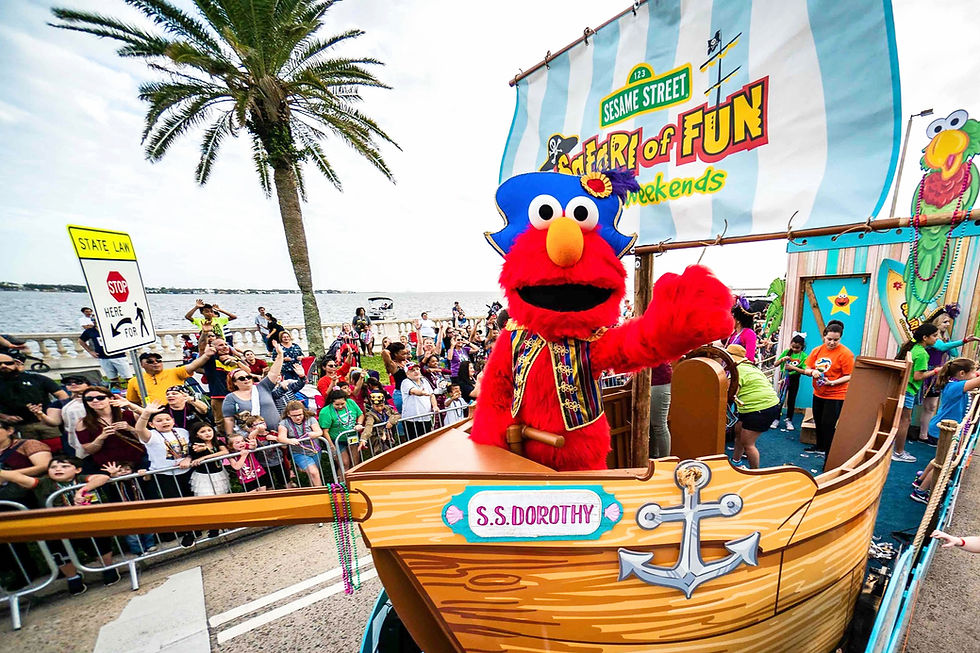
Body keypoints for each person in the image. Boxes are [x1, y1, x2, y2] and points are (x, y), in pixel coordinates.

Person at [0, 456, 116, 594]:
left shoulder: (81, 479)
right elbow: (16, 477)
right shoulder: (43, 483)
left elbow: (102, 477)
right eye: (53, 467)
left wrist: (81, 490)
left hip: (85, 523)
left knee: (99, 544)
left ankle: (107, 568)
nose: (58, 469)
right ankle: (73, 577)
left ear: (77, 469)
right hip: (57, 527)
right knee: (59, 551)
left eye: (64, 466)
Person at [910, 358, 980, 503]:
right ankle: (921, 491)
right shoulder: (957, 387)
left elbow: (976, 377)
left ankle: (921, 480)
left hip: (943, 428)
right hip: (945, 430)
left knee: (939, 458)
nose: (975, 375)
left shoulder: (954, 383)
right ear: (962, 373)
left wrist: (975, 372)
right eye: (973, 372)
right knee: (943, 464)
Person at [221, 344, 287, 485]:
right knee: (261, 465)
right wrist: (230, 439)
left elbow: (274, 374)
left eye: (248, 376)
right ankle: (267, 488)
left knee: (283, 462)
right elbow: (228, 419)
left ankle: (288, 482)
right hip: (252, 439)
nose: (246, 379)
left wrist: (280, 355)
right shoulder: (231, 398)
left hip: (274, 434)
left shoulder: (262, 387)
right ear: (234, 382)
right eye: (242, 378)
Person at [134, 401, 196, 547]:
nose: (164, 422)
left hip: (186, 472)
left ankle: (196, 528)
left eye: (167, 419)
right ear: (152, 424)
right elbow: (139, 429)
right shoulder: (151, 436)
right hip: (165, 475)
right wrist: (146, 413)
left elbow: (191, 449)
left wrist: (189, 458)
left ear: (173, 421)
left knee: (192, 501)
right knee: (177, 506)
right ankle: (187, 533)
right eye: (159, 420)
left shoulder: (183, 432)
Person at [917, 305, 979, 443]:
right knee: (927, 405)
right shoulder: (934, 339)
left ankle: (926, 434)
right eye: (945, 322)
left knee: (932, 406)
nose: (948, 324)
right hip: (929, 372)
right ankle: (924, 434)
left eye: (949, 322)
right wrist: (963, 341)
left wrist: (952, 346)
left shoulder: (945, 338)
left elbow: (953, 353)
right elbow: (942, 348)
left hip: (939, 372)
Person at [802, 323, 854, 456]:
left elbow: (849, 375)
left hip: (836, 394)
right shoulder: (817, 350)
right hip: (818, 392)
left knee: (828, 424)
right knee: (818, 421)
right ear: (824, 336)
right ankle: (820, 446)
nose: (832, 342)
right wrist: (812, 372)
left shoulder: (846, 354)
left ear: (840, 338)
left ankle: (829, 453)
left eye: (835, 340)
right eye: (829, 339)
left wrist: (832, 383)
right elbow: (807, 368)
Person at [892, 324, 942, 463]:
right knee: (905, 421)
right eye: (934, 336)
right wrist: (935, 371)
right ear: (925, 338)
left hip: (903, 388)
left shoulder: (914, 349)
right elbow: (918, 377)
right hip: (908, 390)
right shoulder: (922, 354)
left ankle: (897, 450)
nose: (937, 339)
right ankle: (899, 452)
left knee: (901, 420)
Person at [727, 345, 781, 469]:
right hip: (760, 406)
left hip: (761, 408)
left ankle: (755, 473)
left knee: (748, 444)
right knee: (739, 431)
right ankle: (736, 462)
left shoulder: (737, 371)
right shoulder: (751, 368)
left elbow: (730, 393)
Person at [0, 351, 69, 447]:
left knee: (57, 449)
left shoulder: (36, 378)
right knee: (29, 452)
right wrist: (5, 417)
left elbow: (61, 395)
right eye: (0, 364)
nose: (3, 366)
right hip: (18, 426)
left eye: (8, 363)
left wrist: (58, 414)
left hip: (45, 422)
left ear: (16, 363)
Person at [74, 387, 144, 469]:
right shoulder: (83, 423)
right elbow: (89, 450)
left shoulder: (128, 415)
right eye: (89, 399)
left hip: (138, 461)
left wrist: (131, 429)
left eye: (100, 398)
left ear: (111, 398)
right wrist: (101, 438)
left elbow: (149, 416)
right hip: (109, 467)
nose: (95, 401)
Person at [126, 348, 213, 406]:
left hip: (179, 409)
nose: (156, 363)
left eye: (158, 360)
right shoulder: (135, 381)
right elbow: (133, 402)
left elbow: (193, 366)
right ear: (142, 365)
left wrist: (206, 355)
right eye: (150, 361)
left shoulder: (174, 372)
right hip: (154, 415)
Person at [278, 400, 325, 486]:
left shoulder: (310, 419)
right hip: (299, 452)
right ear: (288, 414)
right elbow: (281, 437)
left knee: (313, 474)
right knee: (313, 472)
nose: (298, 418)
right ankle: (321, 493)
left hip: (314, 450)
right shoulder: (284, 423)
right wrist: (290, 441)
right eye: (294, 416)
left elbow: (319, 432)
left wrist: (313, 434)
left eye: (300, 414)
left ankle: (314, 492)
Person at [318, 389, 364, 471]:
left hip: (352, 437)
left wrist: (359, 424)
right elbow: (325, 431)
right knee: (344, 464)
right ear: (332, 402)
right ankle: (342, 483)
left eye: (342, 404)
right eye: (337, 404)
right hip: (337, 441)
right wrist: (332, 446)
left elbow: (360, 414)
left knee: (355, 463)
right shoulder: (325, 411)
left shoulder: (351, 402)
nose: (340, 406)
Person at [772, 333, 807, 431]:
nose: (795, 349)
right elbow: (775, 364)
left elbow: (805, 371)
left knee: (791, 400)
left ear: (802, 347)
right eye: (793, 347)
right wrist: (782, 359)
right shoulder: (787, 352)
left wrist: (793, 368)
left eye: (798, 348)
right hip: (784, 378)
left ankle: (789, 420)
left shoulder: (804, 356)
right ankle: (776, 419)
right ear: (790, 344)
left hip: (795, 379)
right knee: (780, 400)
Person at [188, 422, 230, 498]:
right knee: (206, 496)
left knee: (221, 496)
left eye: (209, 430)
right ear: (196, 434)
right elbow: (195, 453)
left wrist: (205, 457)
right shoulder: (196, 446)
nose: (207, 433)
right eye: (202, 432)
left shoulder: (217, 442)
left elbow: (225, 452)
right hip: (204, 476)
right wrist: (204, 450)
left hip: (218, 474)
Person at [401, 363, 437, 439]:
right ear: (407, 374)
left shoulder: (424, 381)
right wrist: (421, 393)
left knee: (427, 441)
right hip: (412, 420)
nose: (416, 372)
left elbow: (432, 395)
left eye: (417, 369)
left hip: (426, 417)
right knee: (414, 443)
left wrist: (435, 406)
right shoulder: (406, 382)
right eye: (412, 370)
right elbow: (413, 391)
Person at [649, 363, 672, 458]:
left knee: (659, 426)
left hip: (659, 383)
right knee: (652, 426)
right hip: (655, 382)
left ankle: (665, 461)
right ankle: (653, 458)